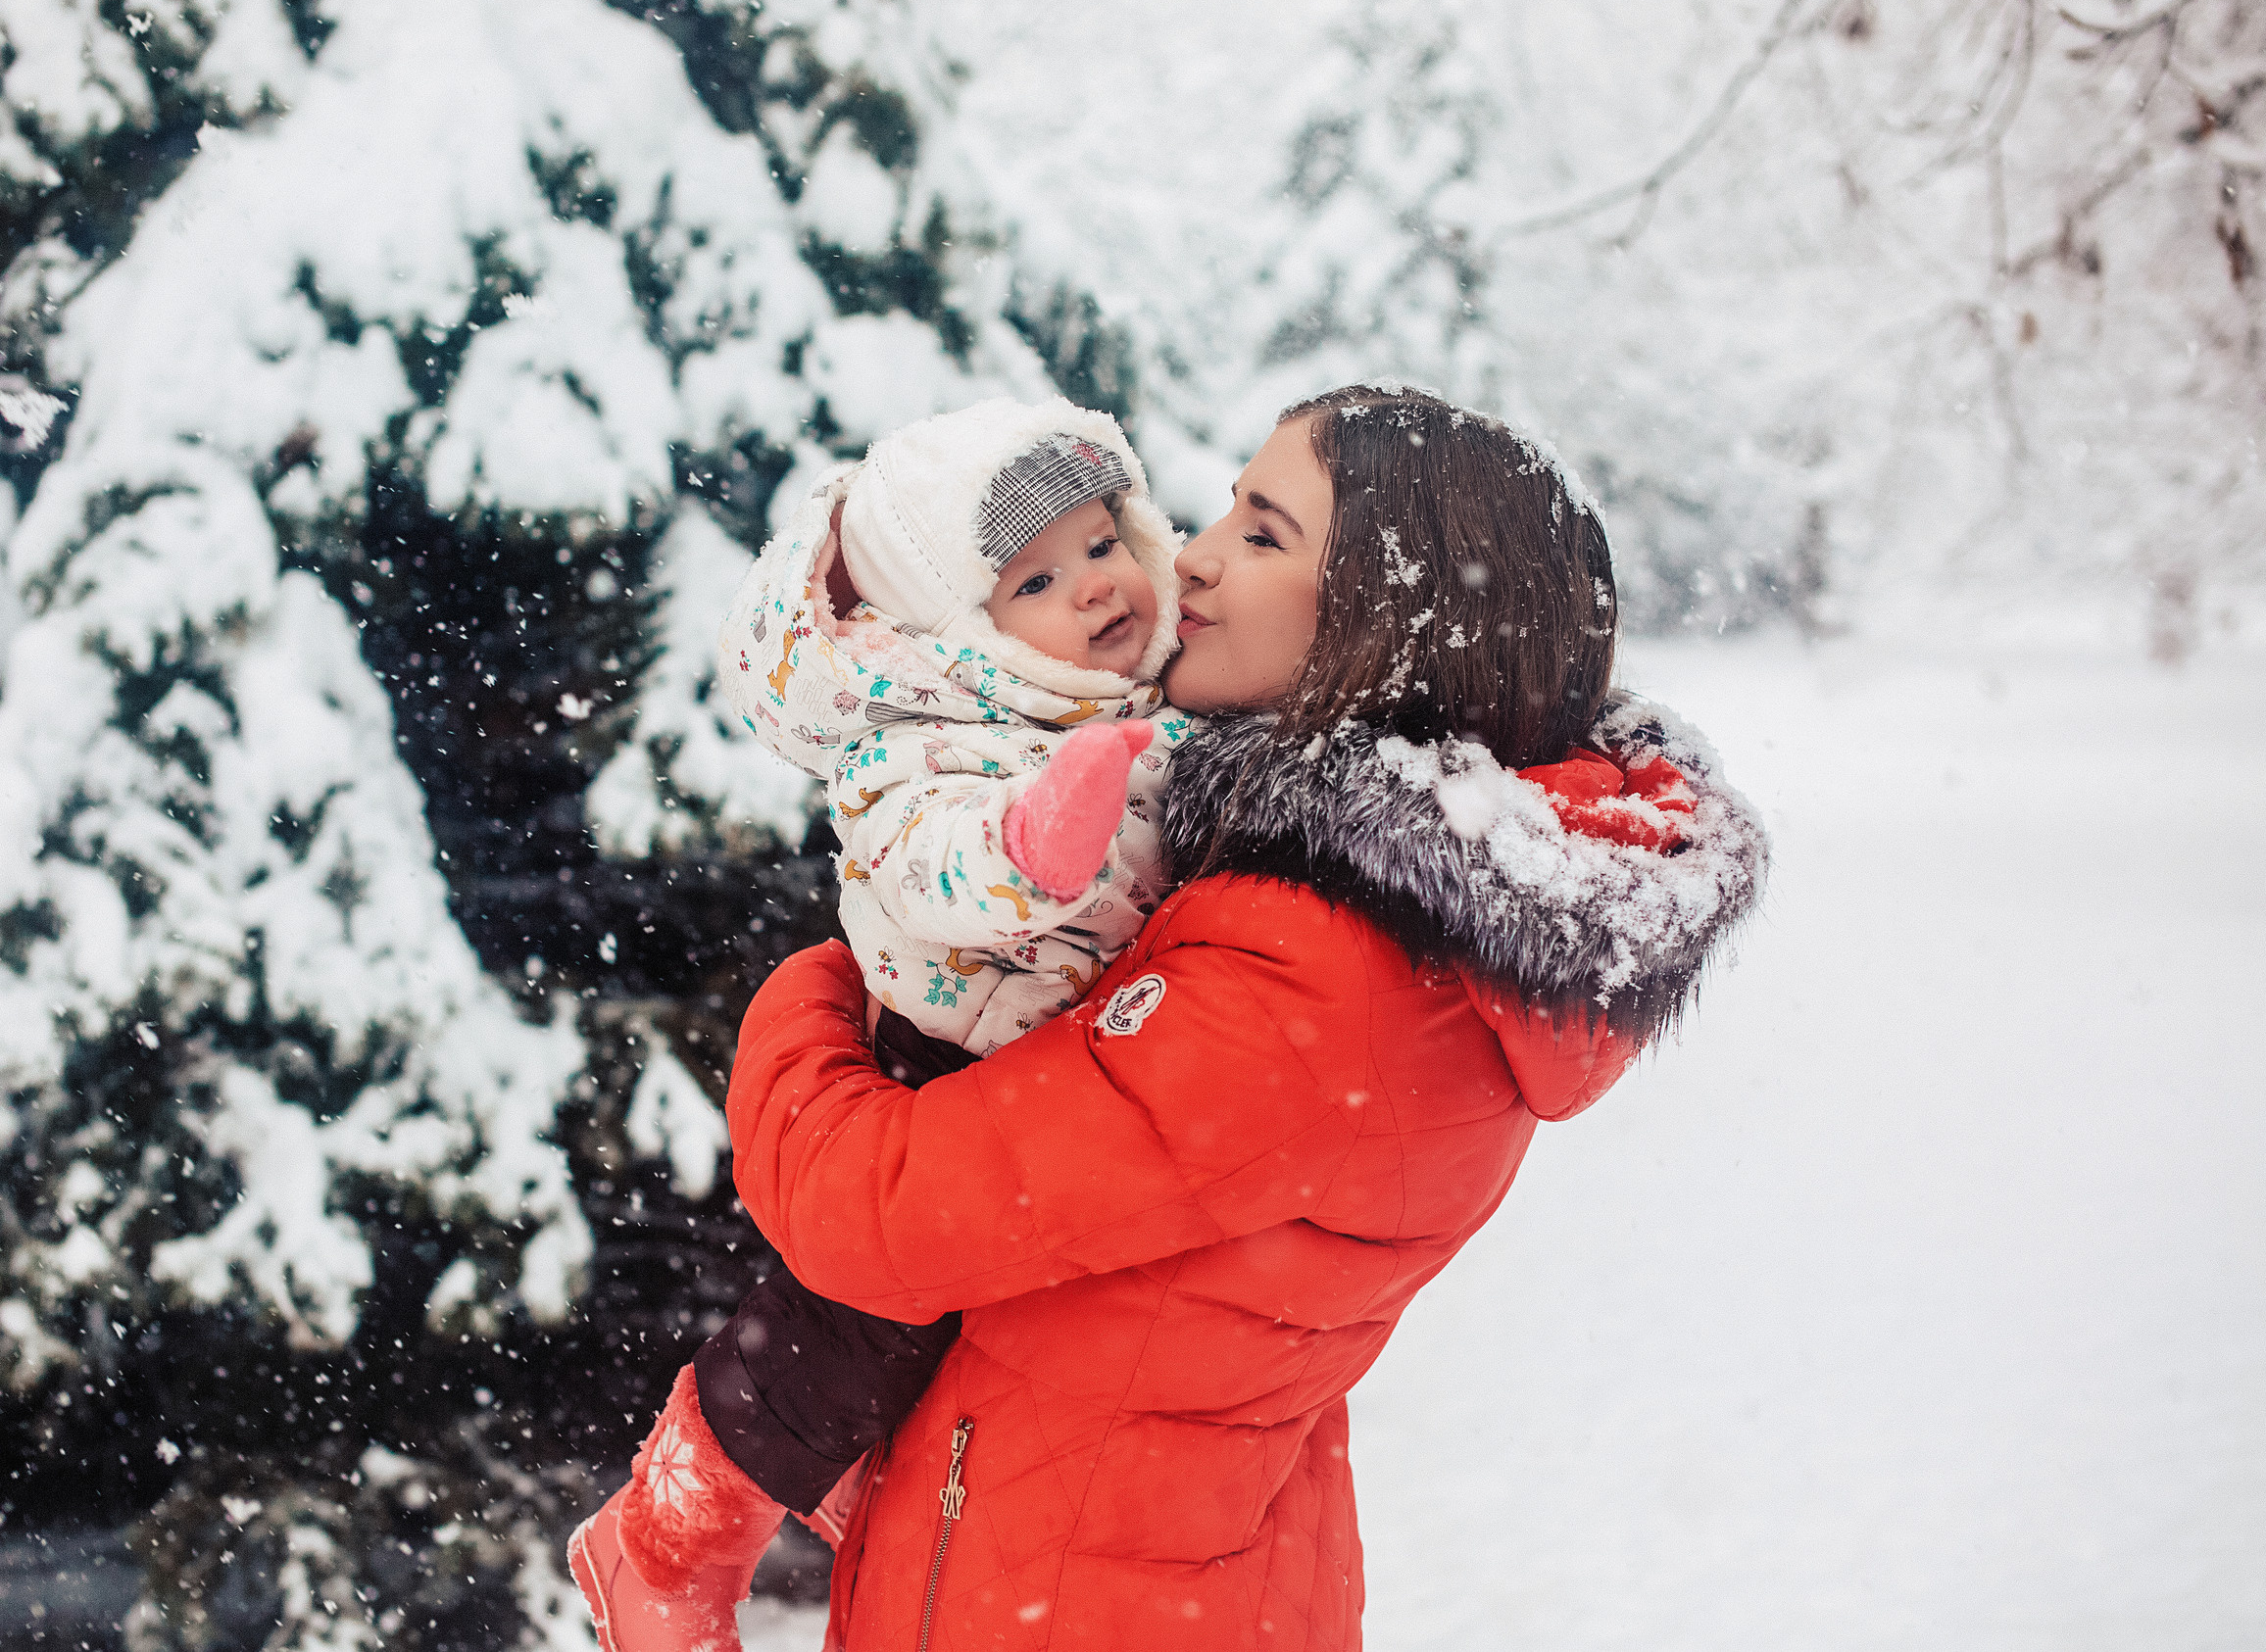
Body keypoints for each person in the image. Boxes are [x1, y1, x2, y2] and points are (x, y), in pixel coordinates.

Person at [714, 384, 1770, 1650]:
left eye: (1264, 533)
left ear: (1397, 622)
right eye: (1224, 504)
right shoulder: (1351, 895)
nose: (1193, 554)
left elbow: (875, 1210)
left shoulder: (1315, 964)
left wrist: (812, 989)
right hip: (1148, 1575)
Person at [569, 397, 1198, 1649]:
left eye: (1100, 542)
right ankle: (661, 1545)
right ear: (966, 628)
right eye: (1035, 579)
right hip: (946, 1055)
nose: (1095, 587)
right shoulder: (928, 734)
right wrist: (1031, 843)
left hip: (1054, 1066)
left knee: (975, 1337)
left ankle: (855, 1476)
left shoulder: (1161, 682)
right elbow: (932, 865)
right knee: (854, 1321)